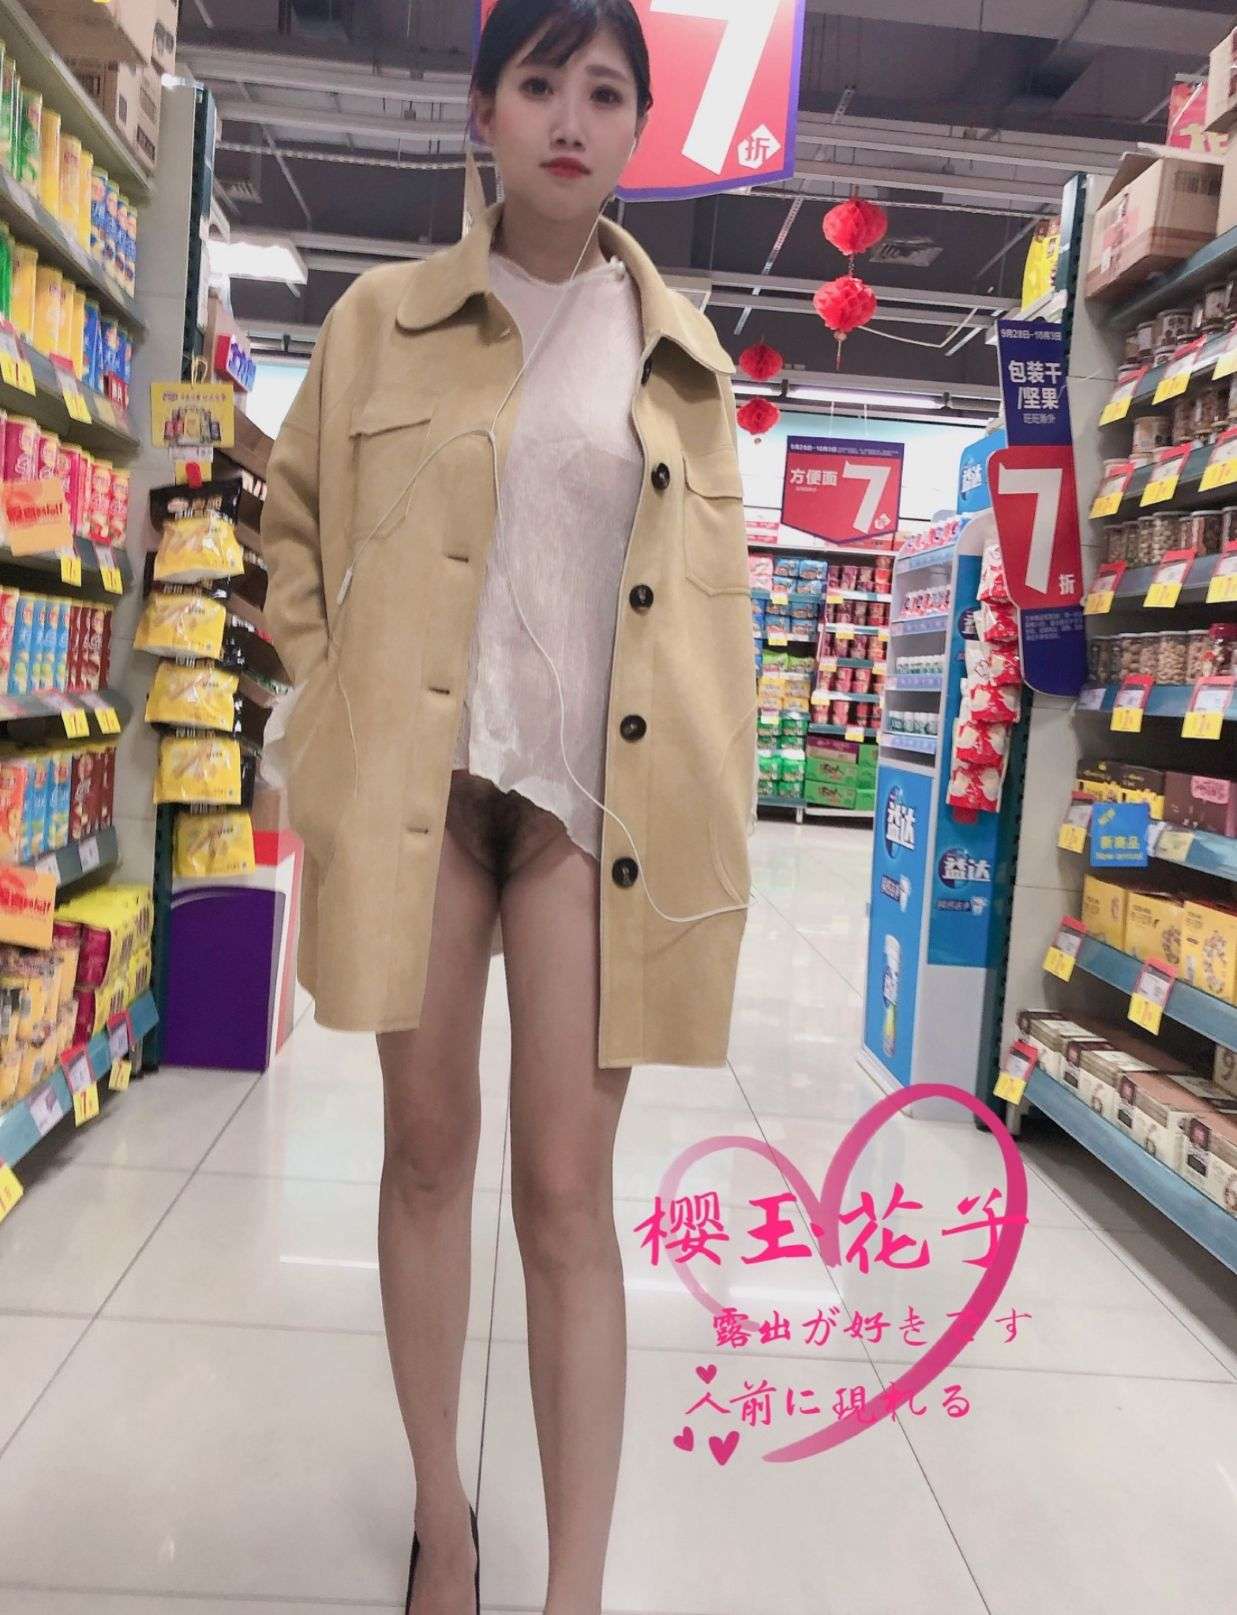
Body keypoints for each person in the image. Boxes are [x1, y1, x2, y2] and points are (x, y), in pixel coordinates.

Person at [260, 2, 758, 1610]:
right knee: (424, 1153)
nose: (569, 117)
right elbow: (293, 523)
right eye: (539, 82)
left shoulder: (681, 359)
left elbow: (711, 621)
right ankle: (445, 1521)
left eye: (604, 92)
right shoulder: (379, 321)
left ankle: (576, 1590)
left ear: (637, 131)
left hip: (585, 810)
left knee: (563, 1191)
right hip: (421, 788)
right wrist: (327, 693)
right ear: (484, 108)